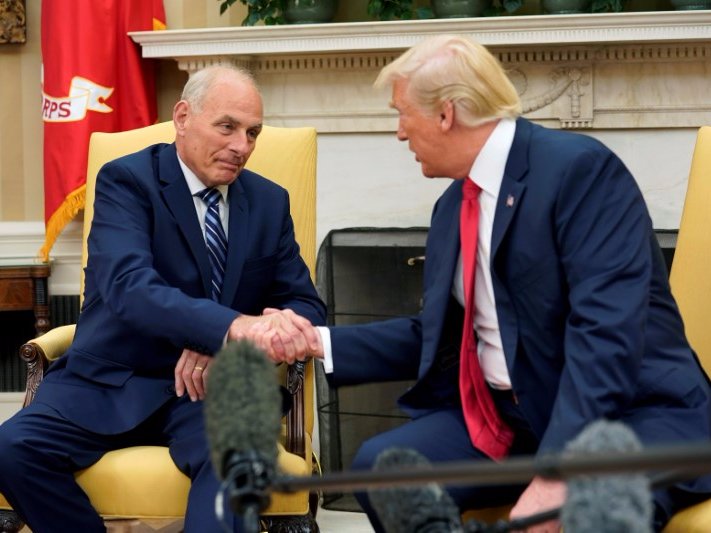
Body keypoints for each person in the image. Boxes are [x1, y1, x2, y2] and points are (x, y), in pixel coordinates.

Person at [302, 36, 711, 532]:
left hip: (635, 417)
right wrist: (315, 340)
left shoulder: (578, 172)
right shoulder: (454, 205)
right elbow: (438, 333)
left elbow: (605, 335)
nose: (399, 133)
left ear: (446, 113)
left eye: (402, 113)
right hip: (513, 422)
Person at [0, 65, 325, 532]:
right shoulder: (127, 181)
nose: (242, 146)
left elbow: (306, 306)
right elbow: (130, 288)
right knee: (12, 450)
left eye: (253, 132)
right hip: (110, 381)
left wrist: (231, 346)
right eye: (227, 126)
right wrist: (230, 329)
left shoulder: (268, 201)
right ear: (183, 117)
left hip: (211, 394)